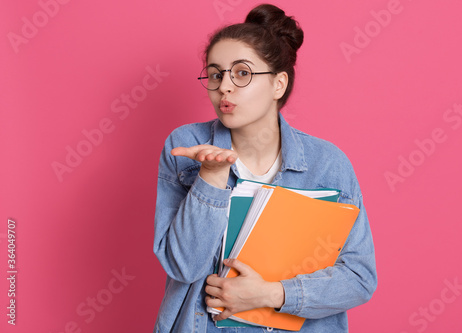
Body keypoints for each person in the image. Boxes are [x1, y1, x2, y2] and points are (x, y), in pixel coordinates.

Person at [152, 4, 377, 332]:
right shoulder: (188, 146)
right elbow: (182, 266)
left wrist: (272, 294)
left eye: (242, 73)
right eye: (216, 74)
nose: (224, 87)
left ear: (278, 84)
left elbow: (359, 277)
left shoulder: (328, 163)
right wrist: (210, 178)